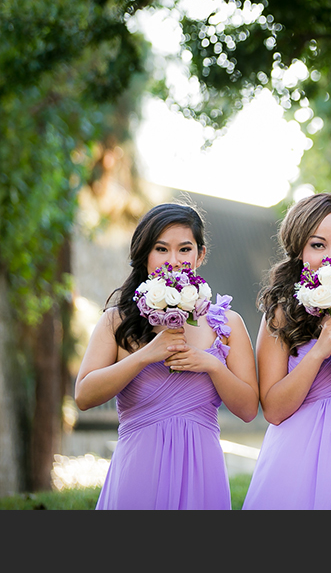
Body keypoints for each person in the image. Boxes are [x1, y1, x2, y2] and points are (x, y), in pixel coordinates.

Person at [75, 203, 258, 510]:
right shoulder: (116, 321)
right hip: (138, 472)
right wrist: (144, 355)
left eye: (184, 249)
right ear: (145, 255)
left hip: (202, 471)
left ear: (199, 255)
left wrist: (211, 364)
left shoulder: (228, 324)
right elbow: (83, 396)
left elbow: (249, 409)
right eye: (161, 249)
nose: (173, 261)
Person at [242, 192, 331, 509]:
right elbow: (274, 411)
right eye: (318, 245)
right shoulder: (281, 312)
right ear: (299, 250)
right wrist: (319, 351)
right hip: (296, 458)